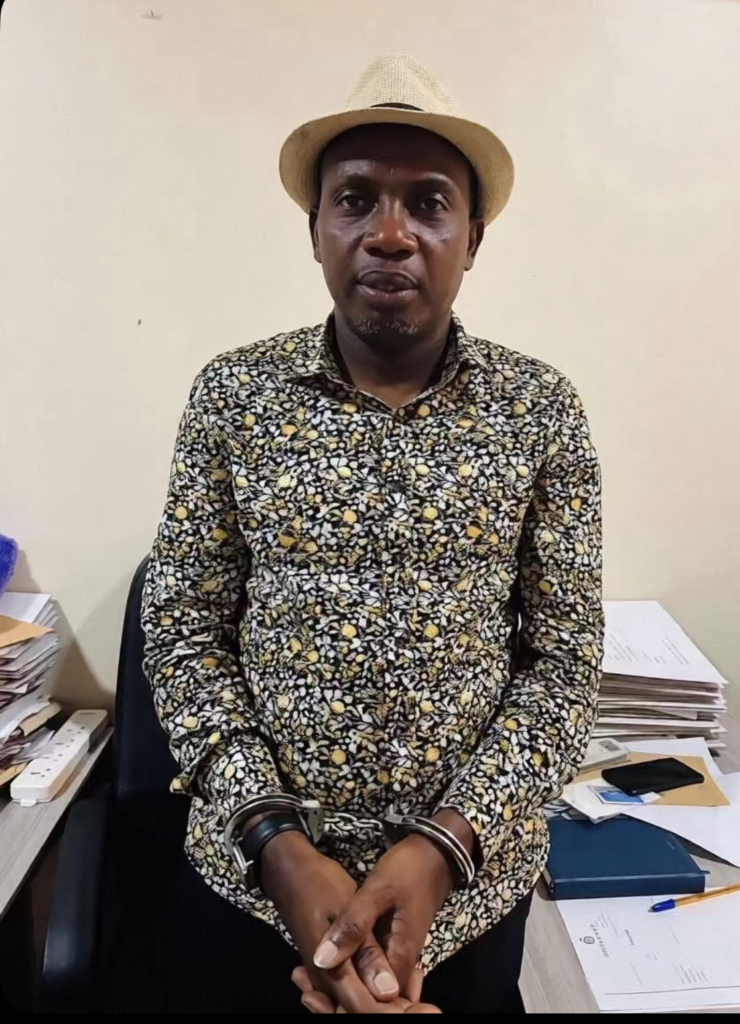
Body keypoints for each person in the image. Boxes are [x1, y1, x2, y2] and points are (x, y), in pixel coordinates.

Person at [141, 53, 603, 1015]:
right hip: (251, 889)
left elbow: (563, 665)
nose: (390, 235)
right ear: (315, 229)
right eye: (355, 200)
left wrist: (445, 844)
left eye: (429, 203)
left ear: (473, 239)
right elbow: (183, 635)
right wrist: (275, 843)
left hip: (465, 898)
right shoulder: (233, 397)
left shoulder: (541, 413)